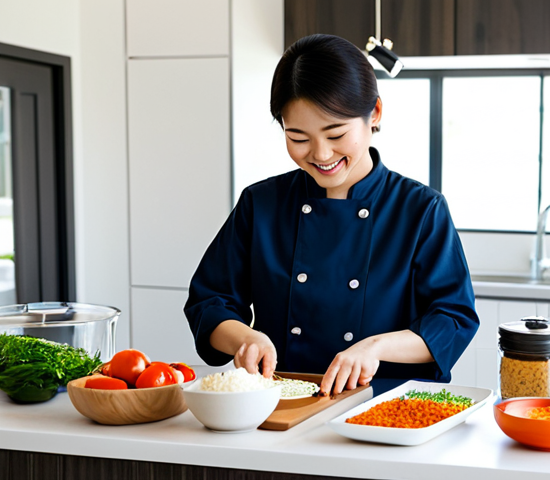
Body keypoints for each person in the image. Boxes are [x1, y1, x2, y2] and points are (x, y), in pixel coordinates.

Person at [184, 34, 478, 396]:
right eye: (298, 138)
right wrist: (245, 338)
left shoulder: (420, 210)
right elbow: (210, 301)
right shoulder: (260, 204)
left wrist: (376, 347)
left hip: (383, 407)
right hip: (279, 402)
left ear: (375, 114)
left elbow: (452, 319)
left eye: (336, 133)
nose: (321, 154)